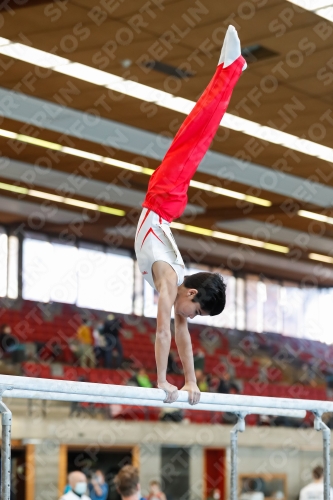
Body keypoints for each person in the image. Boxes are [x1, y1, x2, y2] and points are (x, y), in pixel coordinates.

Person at [134, 25, 246, 405]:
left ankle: (230, 72)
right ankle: (228, 70)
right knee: (198, 132)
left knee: (199, 134)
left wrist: (188, 382)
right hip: (164, 199)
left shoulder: (174, 285)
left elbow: (174, 332)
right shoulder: (171, 281)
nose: (190, 317)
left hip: (164, 202)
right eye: (196, 311)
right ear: (193, 292)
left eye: (194, 312)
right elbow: (167, 332)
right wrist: (167, 380)